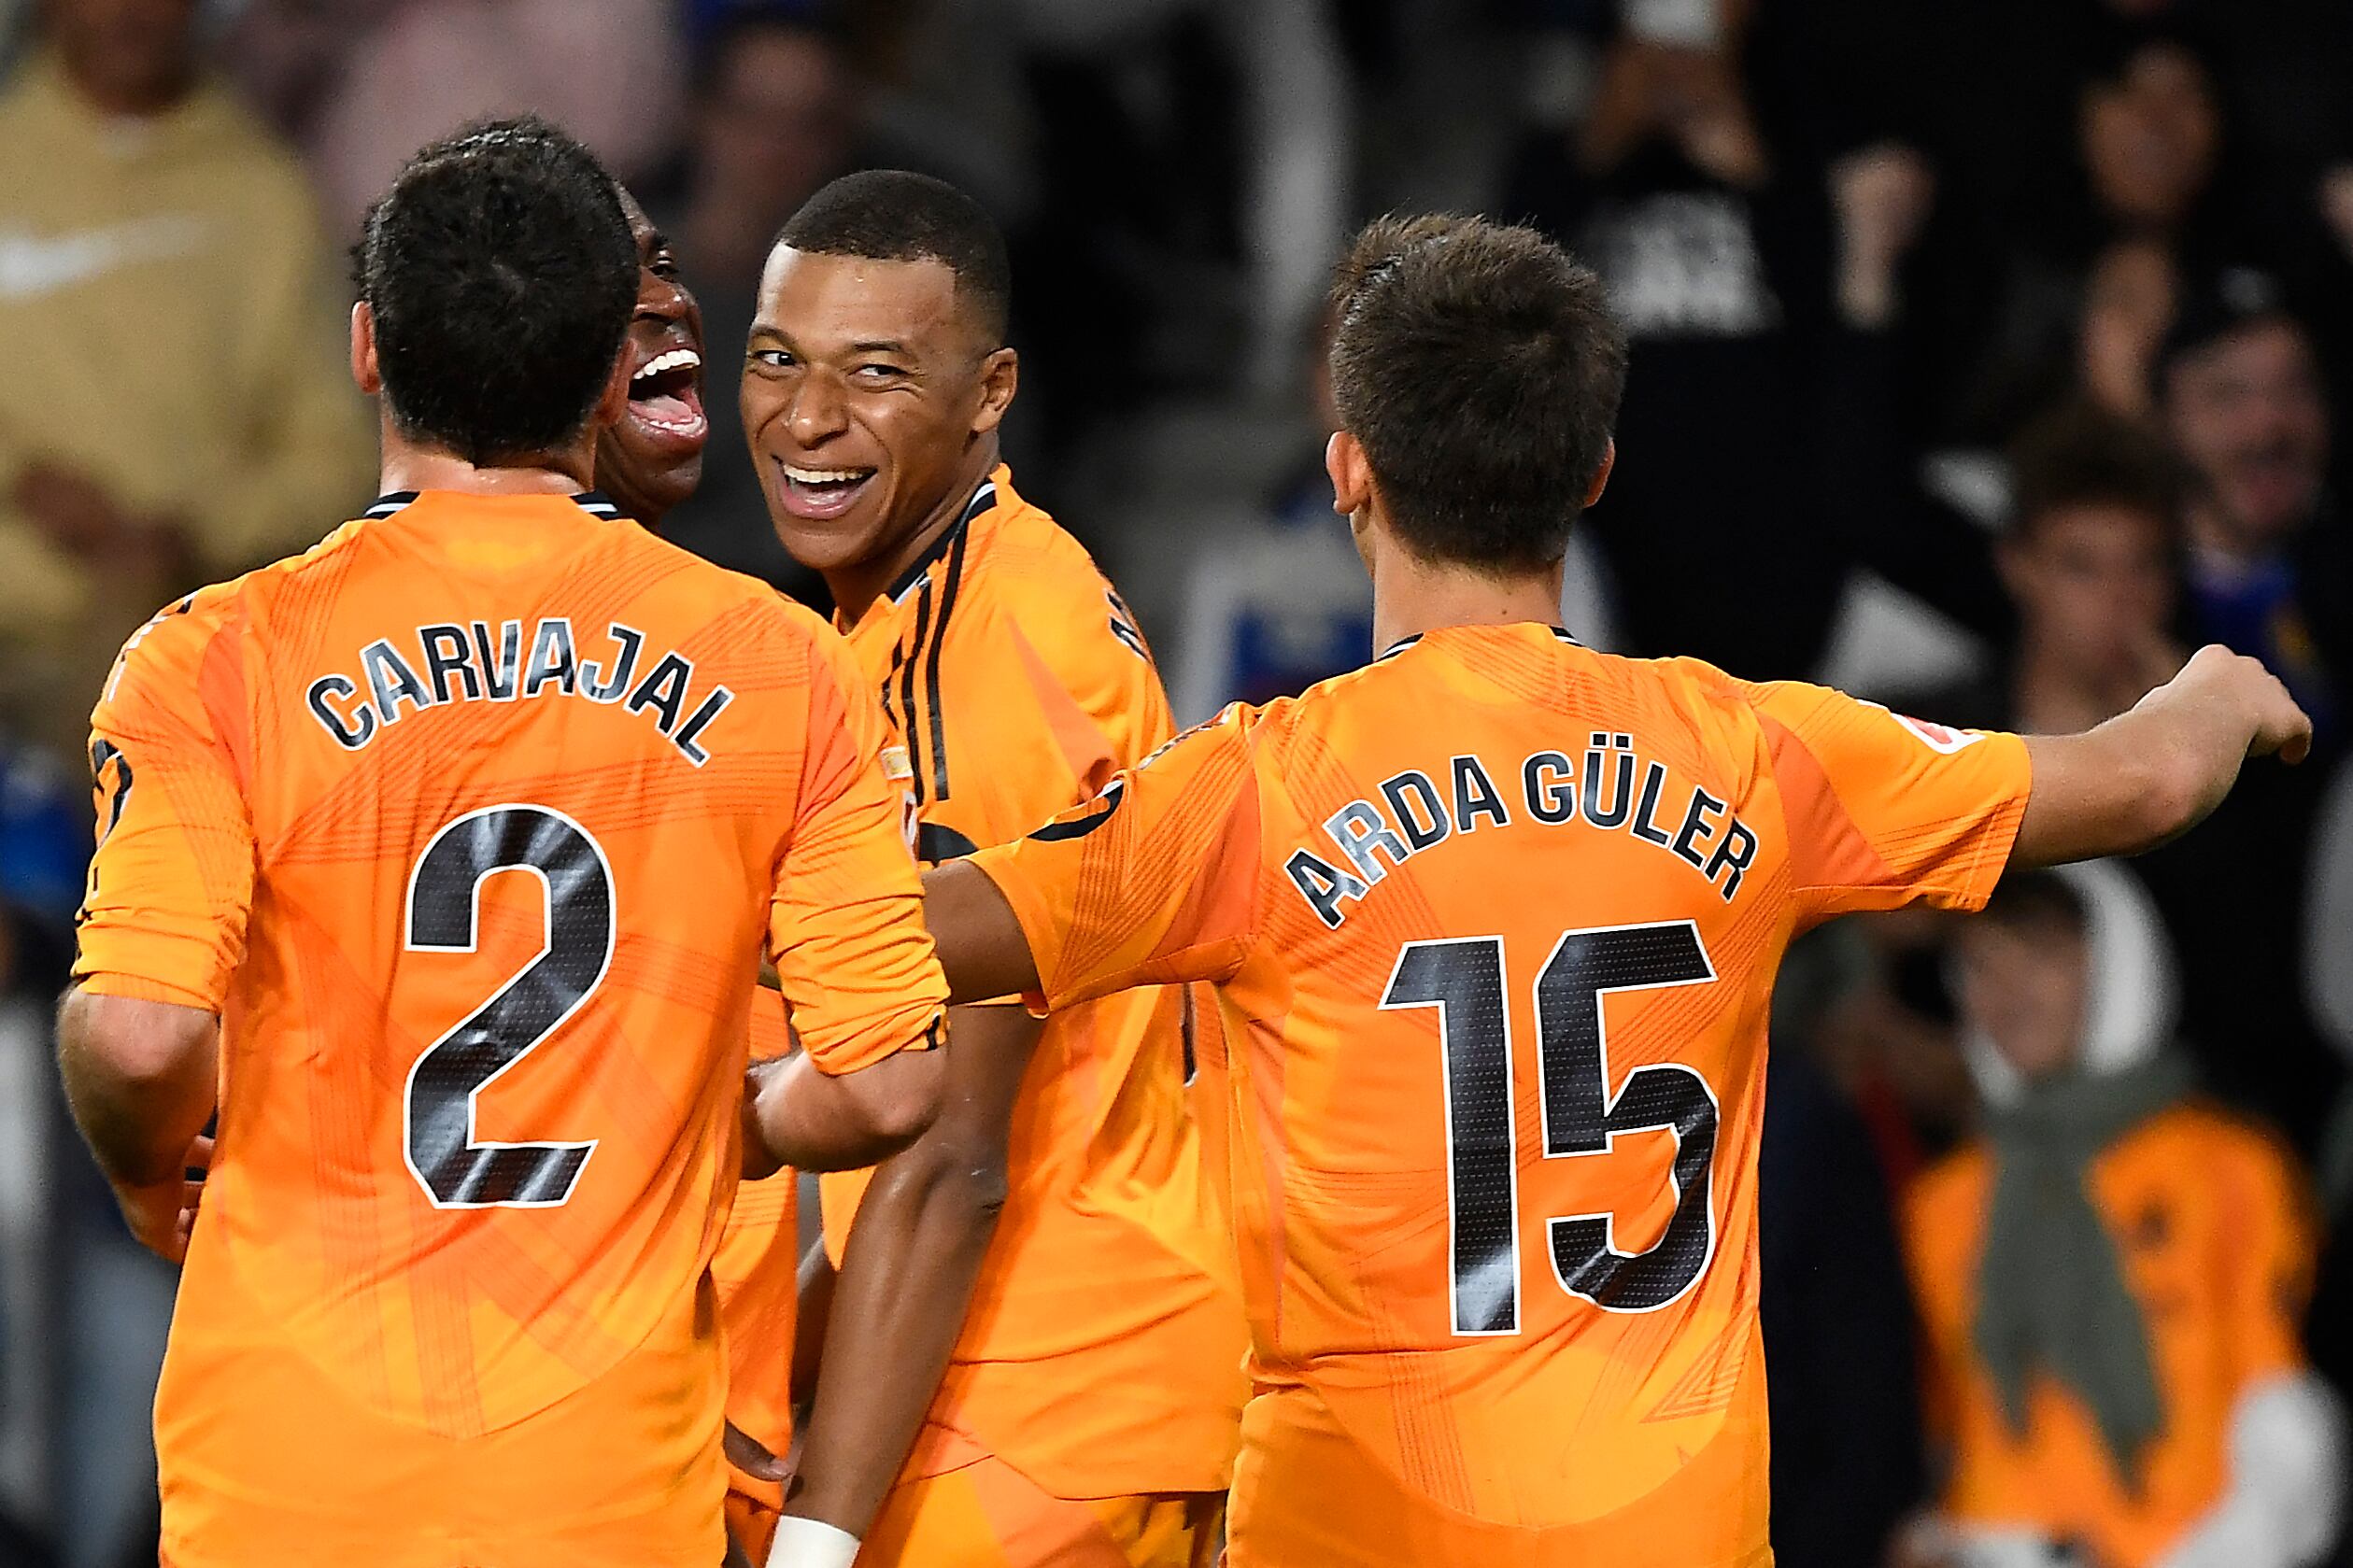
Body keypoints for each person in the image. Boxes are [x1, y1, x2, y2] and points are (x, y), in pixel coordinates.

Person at [905, 212, 2313, 1566]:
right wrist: (2217, 687)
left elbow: (887, 936)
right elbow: (2139, 781)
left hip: (1351, 1525)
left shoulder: (1248, 793)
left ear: (1347, 469)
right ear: (1592, 471)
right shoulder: (1749, 754)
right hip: (1667, 1530)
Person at [53, 118, 949, 1566]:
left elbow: (145, 1039)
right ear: (609, 367)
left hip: (287, 1479)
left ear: (366, 348)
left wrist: (143, 1168)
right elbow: (889, 1080)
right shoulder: (783, 665)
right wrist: (702, 1115)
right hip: (601, 1487)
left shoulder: (213, 659)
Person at [740, 169, 1246, 1568]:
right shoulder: (950, 609)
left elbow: (953, 1154)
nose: (807, 417)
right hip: (1053, 1382)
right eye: (776, 358)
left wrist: (814, 1542)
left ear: (991, 391)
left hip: (1031, 1417)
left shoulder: (976, 673)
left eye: (875, 372)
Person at [1902, 865, 2344, 1568]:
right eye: (1980, 964)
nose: (2008, 993)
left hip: (2198, 1548)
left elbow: (2277, 1400)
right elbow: (1942, 1421)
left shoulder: (2230, 1166)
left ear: (2117, 962)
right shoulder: (1941, 1203)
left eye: (2041, 956)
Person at [0, 0, 373, 756]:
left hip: (192, 640)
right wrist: (20, 474)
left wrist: (193, 532)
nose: (130, 13)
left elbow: (338, 455)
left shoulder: (266, 195)